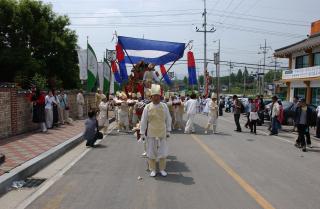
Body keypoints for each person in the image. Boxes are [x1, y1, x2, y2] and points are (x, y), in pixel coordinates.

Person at [140, 84, 172, 177]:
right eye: (154, 96)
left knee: (163, 151)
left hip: (162, 131)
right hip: (151, 132)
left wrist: (169, 130)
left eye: (158, 96)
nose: (156, 98)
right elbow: (144, 120)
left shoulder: (164, 106)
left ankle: (162, 169)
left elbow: (168, 119)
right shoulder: (147, 107)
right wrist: (142, 132)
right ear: (151, 97)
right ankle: (153, 169)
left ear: (160, 96)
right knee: (151, 151)